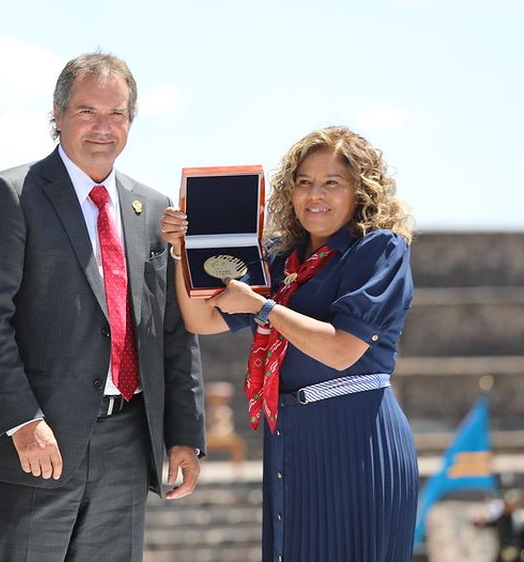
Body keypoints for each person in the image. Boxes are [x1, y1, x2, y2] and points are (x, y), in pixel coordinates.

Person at [0, 51, 206, 562]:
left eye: (117, 113)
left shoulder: (155, 209)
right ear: (57, 114)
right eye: (86, 111)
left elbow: (172, 330)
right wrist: (23, 422)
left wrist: (184, 434)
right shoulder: (10, 194)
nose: (103, 127)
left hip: (128, 444)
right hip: (34, 444)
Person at [161, 126, 419, 561]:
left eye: (331, 182)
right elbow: (201, 320)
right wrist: (180, 253)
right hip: (293, 438)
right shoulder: (283, 261)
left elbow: (342, 350)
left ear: (361, 191)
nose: (314, 194)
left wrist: (263, 309)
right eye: (304, 182)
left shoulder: (379, 250)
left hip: (357, 437)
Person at [473, 490, 524, 562]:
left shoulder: (519, 516)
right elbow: (492, 524)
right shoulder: (502, 517)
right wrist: (480, 523)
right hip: (505, 548)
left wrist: (515, 546)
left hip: (516, 548)